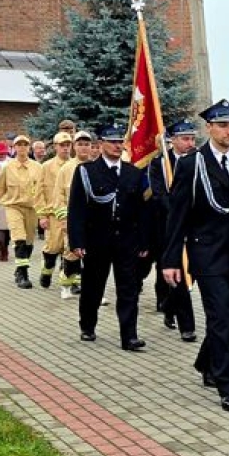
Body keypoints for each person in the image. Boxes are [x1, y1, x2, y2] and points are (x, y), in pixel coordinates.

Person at [163, 100, 229, 412]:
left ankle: (204, 360)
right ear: (209, 128)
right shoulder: (191, 164)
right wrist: (171, 260)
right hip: (207, 253)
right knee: (219, 317)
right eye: (222, 125)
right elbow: (177, 216)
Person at [67, 125, 149, 351]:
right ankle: (88, 325)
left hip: (126, 240)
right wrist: (77, 241)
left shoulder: (134, 172)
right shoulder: (87, 171)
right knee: (93, 285)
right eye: (111, 142)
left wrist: (143, 241)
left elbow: (141, 210)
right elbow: (77, 209)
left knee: (129, 289)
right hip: (97, 239)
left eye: (119, 141)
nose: (117, 146)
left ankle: (129, 336)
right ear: (100, 144)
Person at [145, 120, 198, 341]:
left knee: (191, 272)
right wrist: (178, 209)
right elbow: (159, 194)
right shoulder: (159, 163)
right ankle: (187, 325)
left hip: (194, 226)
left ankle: (168, 305)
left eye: (192, 138)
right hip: (168, 226)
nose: (190, 143)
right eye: (185, 139)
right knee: (175, 271)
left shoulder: (198, 162)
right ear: (173, 140)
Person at [0, 135, 43, 288]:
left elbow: (44, 189)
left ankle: (19, 269)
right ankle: (24, 274)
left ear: (29, 148)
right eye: (19, 145)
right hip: (13, 207)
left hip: (31, 209)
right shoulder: (8, 168)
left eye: (25, 145)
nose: (22, 148)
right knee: (19, 238)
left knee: (29, 242)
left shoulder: (37, 167)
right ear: (14, 148)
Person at [53, 130, 94, 298]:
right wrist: (64, 219)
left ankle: (94, 289)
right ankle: (66, 284)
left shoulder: (97, 166)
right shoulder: (66, 169)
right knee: (71, 253)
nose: (84, 148)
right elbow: (59, 196)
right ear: (74, 147)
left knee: (94, 255)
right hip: (73, 220)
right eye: (80, 144)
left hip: (93, 220)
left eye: (87, 144)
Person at [35, 132, 73, 288]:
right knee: (53, 247)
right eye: (62, 145)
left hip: (71, 215)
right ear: (55, 147)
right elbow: (38, 192)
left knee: (70, 248)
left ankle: (71, 281)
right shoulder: (46, 166)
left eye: (68, 145)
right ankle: (47, 269)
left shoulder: (76, 165)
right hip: (52, 215)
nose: (65, 148)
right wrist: (42, 215)